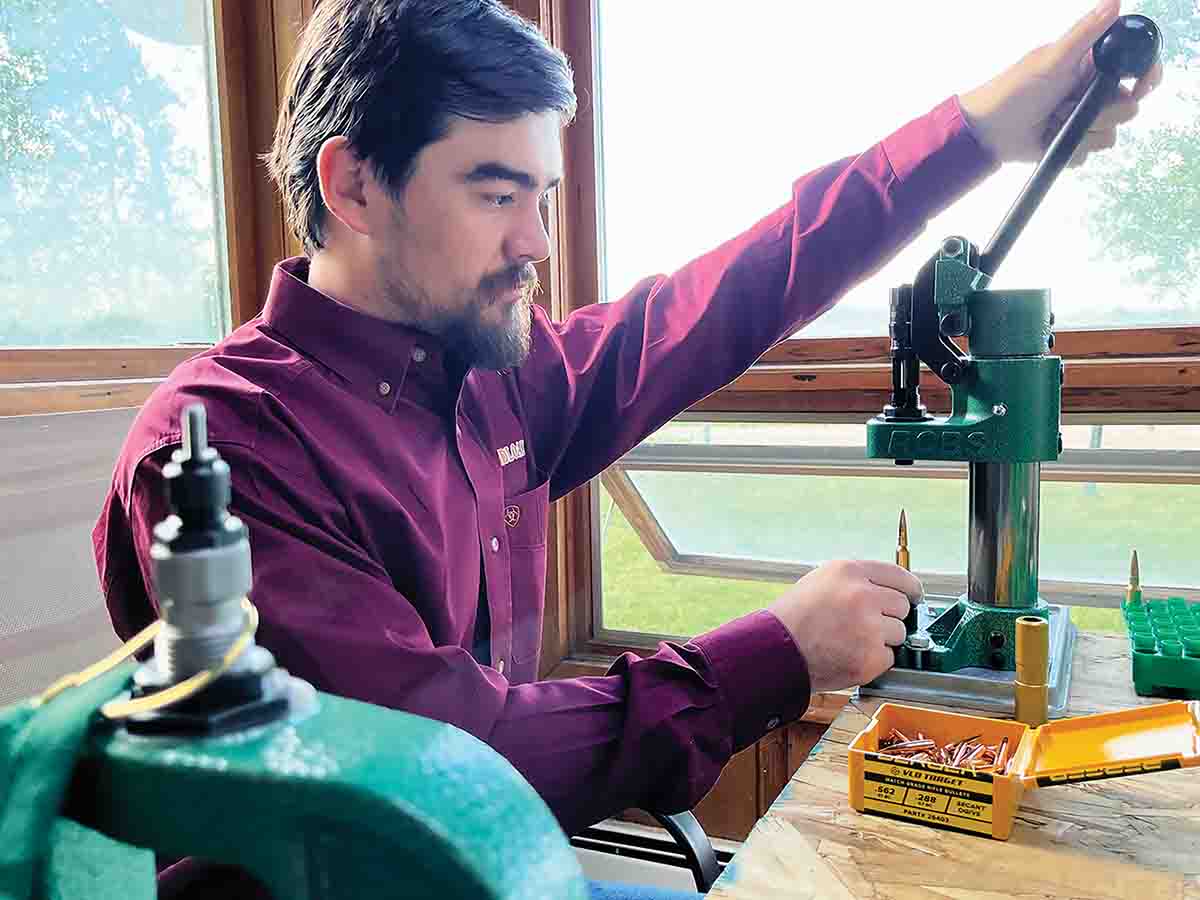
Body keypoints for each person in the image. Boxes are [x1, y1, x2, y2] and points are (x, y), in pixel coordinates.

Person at [94, 1, 1159, 897]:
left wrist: (977, 131)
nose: (538, 245)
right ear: (355, 186)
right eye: (498, 193)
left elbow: (725, 296)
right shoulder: (231, 449)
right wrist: (776, 652)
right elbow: (444, 766)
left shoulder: (497, 375)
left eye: (545, 198)